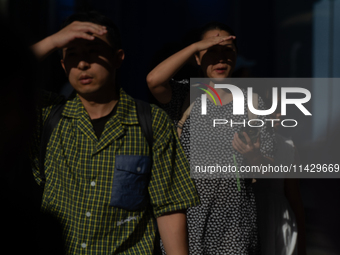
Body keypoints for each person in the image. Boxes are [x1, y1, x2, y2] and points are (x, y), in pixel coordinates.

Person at [30, 11, 199, 254]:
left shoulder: (150, 121)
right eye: (73, 54)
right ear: (63, 64)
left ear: (118, 58)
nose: (82, 64)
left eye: (93, 53)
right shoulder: (47, 116)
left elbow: (169, 207)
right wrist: (53, 41)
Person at [147, 21, 276, 254]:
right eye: (211, 51)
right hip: (186, 219)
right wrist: (196, 46)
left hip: (235, 222)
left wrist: (254, 155)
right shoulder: (185, 94)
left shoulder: (253, 104)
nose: (220, 59)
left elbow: (266, 170)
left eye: (228, 51)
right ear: (197, 58)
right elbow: (154, 80)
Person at [253, 90, 307, 255]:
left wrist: (303, 247)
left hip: (280, 223)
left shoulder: (289, 147)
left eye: (281, 109)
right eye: (272, 108)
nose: (279, 114)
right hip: (250, 218)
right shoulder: (240, 142)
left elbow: (294, 197)